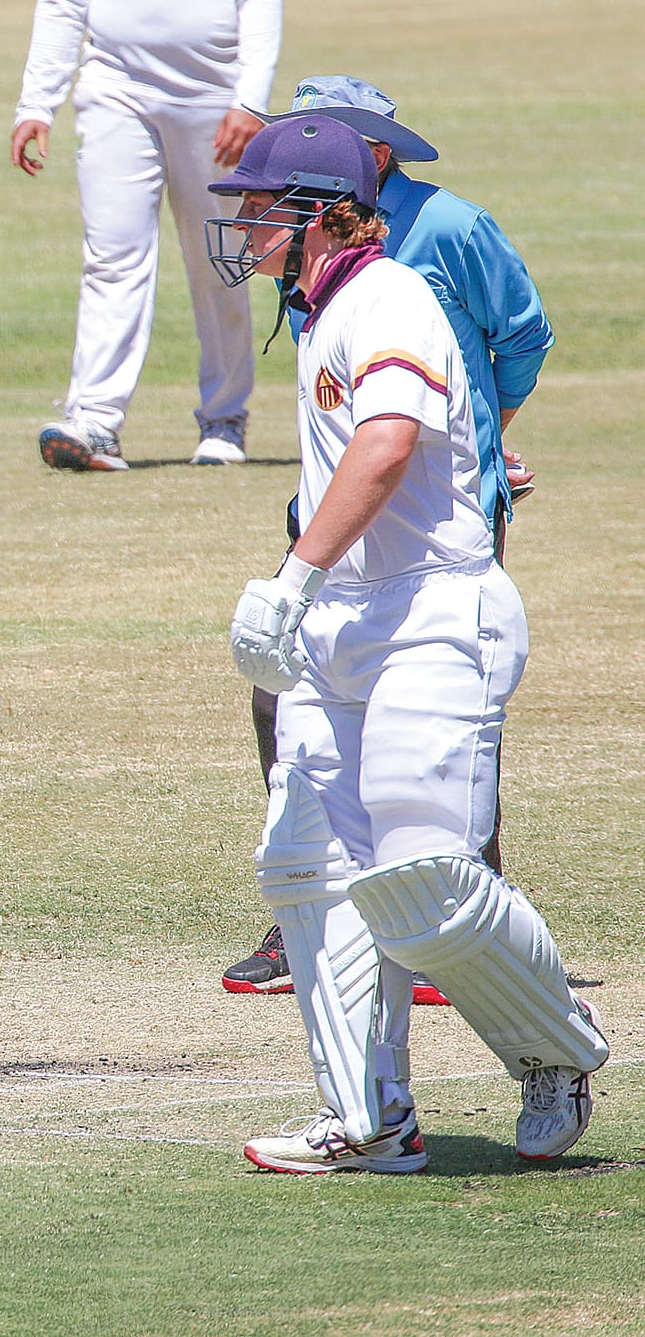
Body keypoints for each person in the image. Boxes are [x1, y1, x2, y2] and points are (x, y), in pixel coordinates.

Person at [208, 115, 604, 1174]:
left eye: (261, 205)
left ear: (324, 214)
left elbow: (386, 443)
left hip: (432, 613)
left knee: (421, 881)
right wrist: (314, 598)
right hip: (345, 624)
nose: (243, 224)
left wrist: (289, 577)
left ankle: (555, 1050)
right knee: (306, 866)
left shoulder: (385, 297)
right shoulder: (322, 307)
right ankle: (366, 1117)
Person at [221, 76, 554, 996]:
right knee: (286, 709)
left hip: (435, 528)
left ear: (362, 158)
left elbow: (519, 340)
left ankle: (468, 920)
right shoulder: (307, 262)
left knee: (434, 744)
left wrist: (483, 439)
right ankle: (324, 921)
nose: (249, 217)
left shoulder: (439, 235)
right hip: (335, 523)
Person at [11, 0, 286, 472]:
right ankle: (93, 422)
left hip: (215, 98)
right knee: (112, 254)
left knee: (221, 257)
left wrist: (250, 99)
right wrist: (37, 102)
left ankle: (224, 419)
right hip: (115, 89)